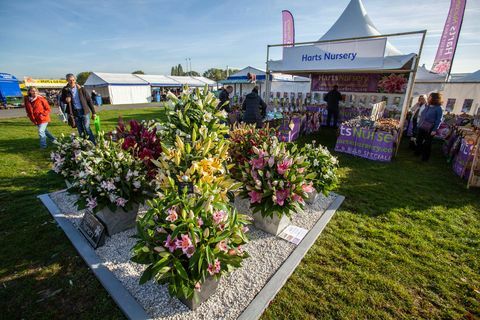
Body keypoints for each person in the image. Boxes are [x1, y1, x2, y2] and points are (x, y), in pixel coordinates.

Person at [61, 73, 96, 143]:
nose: (72, 82)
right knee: (80, 129)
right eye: (70, 80)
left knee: (87, 128)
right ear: (67, 80)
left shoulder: (81, 89)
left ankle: (93, 143)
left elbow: (89, 100)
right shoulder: (65, 89)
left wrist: (94, 112)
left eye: (73, 80)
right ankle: (84, 144)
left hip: (84, 111)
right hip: (74, 112)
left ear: (75, 79)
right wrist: (66, 100)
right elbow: (62, 100)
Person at [415, 92, 443, 161]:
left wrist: (434, 130)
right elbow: (423, 115)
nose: (428, 98)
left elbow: (438, 120)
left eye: (430, 97)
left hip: (430, 128)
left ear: (435, 99)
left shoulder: (438, 108)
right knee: (418, 140)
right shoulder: (428, 106)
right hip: (421, 125)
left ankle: (425, 158)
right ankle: (418, 153)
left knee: (427, 143)